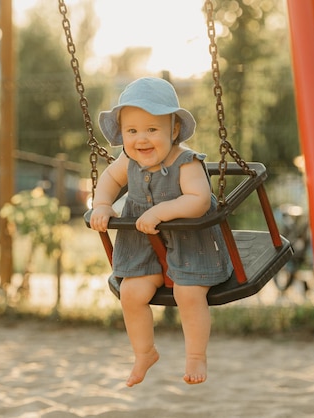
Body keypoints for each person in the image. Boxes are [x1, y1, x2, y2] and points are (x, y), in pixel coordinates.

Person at [89, 77, 233, 387]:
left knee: (188, 294)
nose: (141, 139)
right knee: (131, 293)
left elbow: (198, 200)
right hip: (144, 244)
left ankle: (196, 355)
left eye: (151, 129)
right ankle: (144, 352)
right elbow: (109, 182)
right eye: (132, 131)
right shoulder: (128, 159)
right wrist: (102, 205)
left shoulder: (186, 162)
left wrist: (161, 212)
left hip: (190, 242)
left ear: (174, 130)